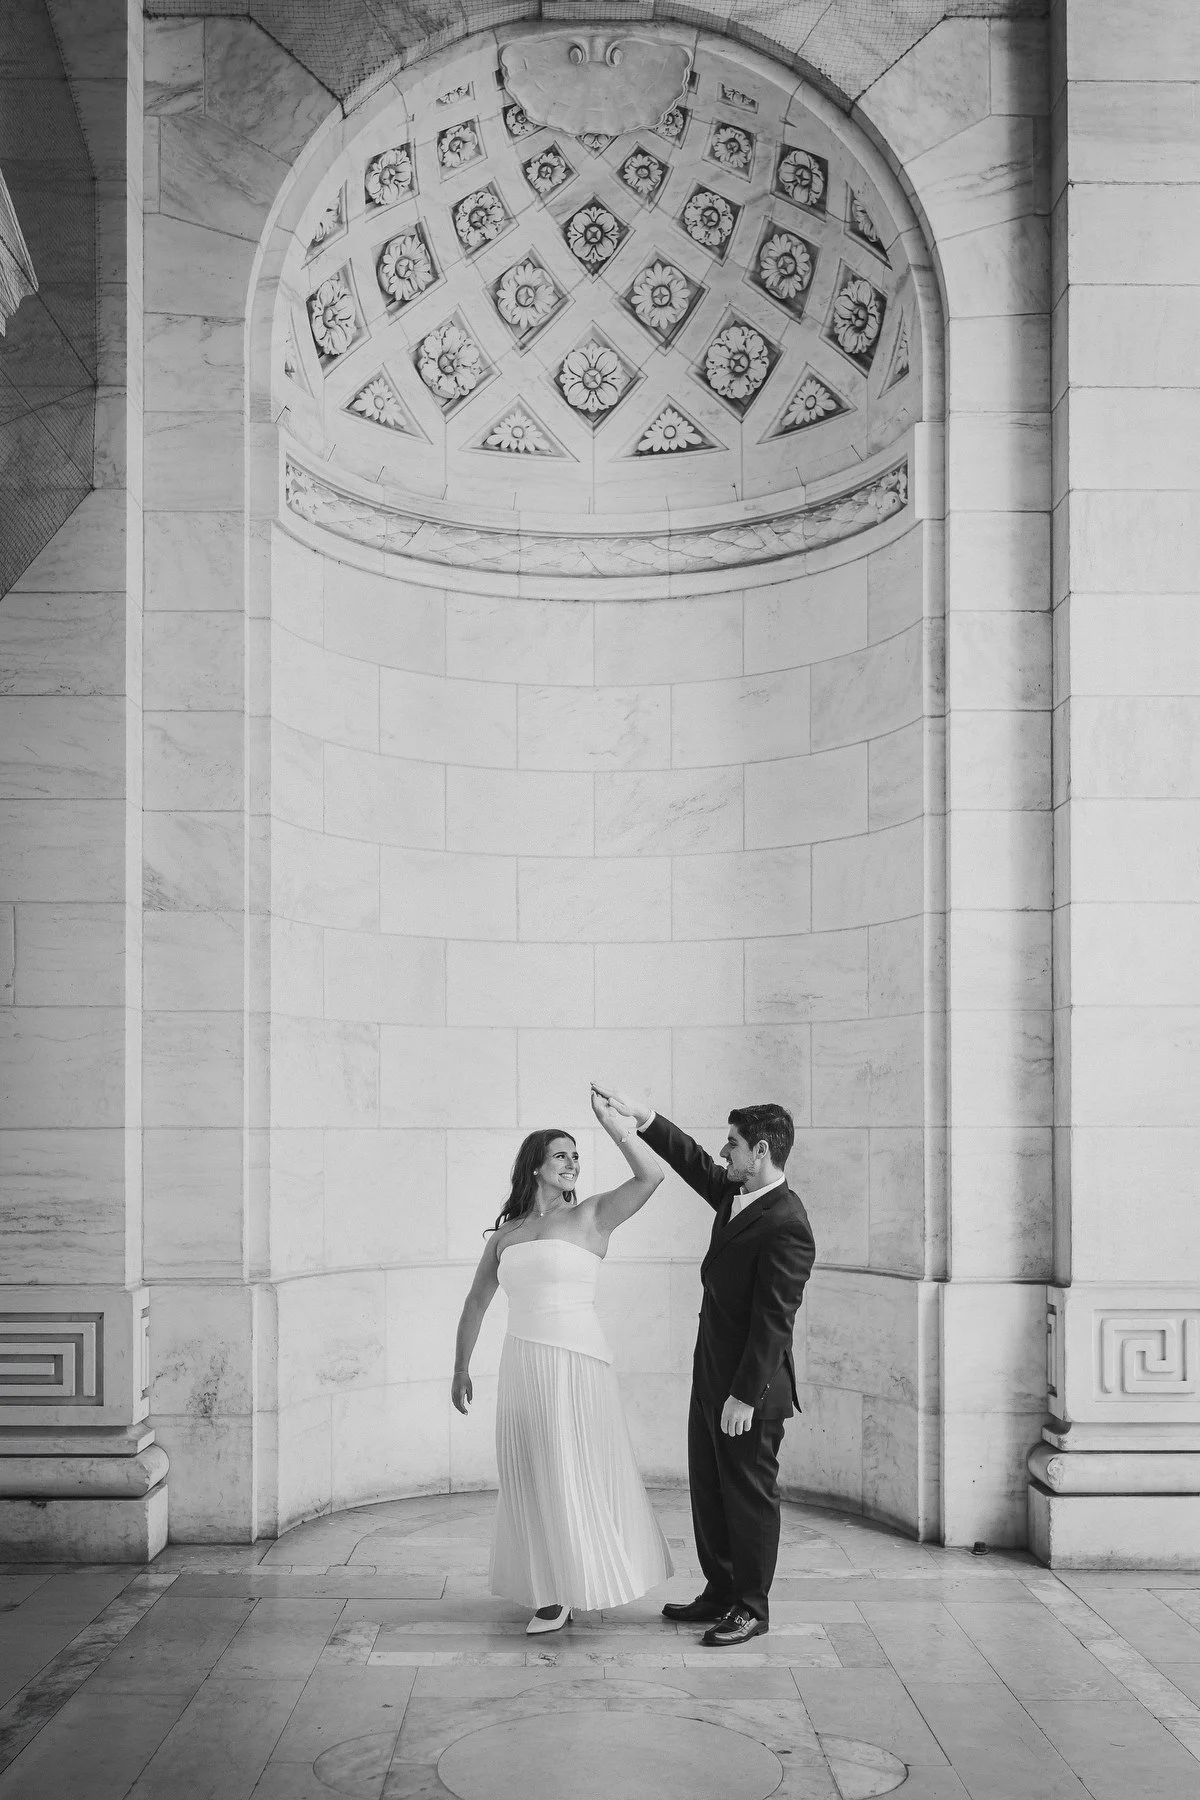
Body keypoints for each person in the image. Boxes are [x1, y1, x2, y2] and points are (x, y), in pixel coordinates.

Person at [592, 1088, 815, 1648]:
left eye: (734, 1145)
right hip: (711, 1378)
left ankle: (750, 1607)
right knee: (711, 1492)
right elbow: (691, 1160)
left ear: (760, 1151)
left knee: (749, 1498)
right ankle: (720, 1590)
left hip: (749, 1393)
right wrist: (642, 1117)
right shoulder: (737, 1194)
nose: (724, 1153)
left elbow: (774, 1321)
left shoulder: (787, 1222)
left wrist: (743, 1395)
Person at [450, 1088, 673, 1635]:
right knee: (529, 1468)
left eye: (577, 1155)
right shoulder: (507, 1235)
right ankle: (548, 1586)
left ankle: (577, 1586)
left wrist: (617, 1126)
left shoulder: (594, 1215)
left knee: (569, 1466)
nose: (573, 1163)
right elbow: (477, 1301)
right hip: (522, 1361)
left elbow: (653, 1177)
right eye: (561, 1155)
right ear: (535, 1168)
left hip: (577, 1362)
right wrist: (460, 1367)